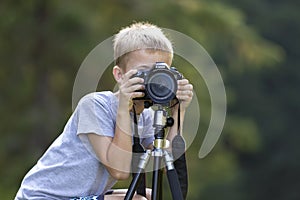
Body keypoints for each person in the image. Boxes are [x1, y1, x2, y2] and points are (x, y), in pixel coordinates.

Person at [15, 22, 193, 200]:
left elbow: (164, 163)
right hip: (43, 196)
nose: (151, 81)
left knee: (148, 195)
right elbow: (120, 171)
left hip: (80, 195)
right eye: (143, 72)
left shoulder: (146, 116)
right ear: (119, 75)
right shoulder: (94, 105)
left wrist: (179, 111)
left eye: (158, 73)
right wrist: (124, 108)